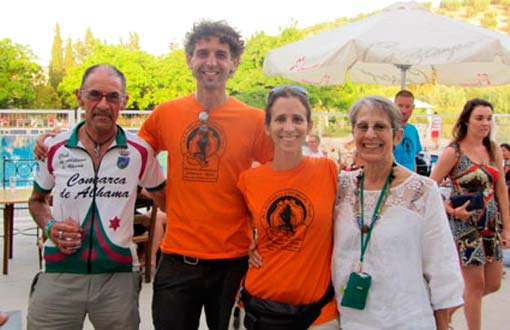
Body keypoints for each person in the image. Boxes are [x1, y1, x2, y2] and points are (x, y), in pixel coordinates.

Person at [138, 21, 274, 330]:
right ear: (189, 59)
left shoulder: (254, 120)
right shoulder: (166, 113)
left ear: (234, 63)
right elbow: (131, 154)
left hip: (234, 262)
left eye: (221, 54)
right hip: (177, 260)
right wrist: (158, 191)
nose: (211, 62)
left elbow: (276, 179)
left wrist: (264, 236)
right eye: (202, 53)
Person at [28, 64, 166, 330]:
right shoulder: (55, 146)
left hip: (118, 277)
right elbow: (36, 200)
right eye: (95, 95)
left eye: (112, 97)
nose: (103, 104)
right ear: (80, 96)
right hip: (59, 273)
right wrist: (48, 226)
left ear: (123, 101)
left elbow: (165, 197)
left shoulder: (139, 150)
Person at [332, 96, 463, 330]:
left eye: (380, 126)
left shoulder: (422, 191)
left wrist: (443, 324)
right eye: (363, 126)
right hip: (350, 321)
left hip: (406, 320)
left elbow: (442, 267)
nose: (370, 134)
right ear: (354, 134)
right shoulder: (340, 187)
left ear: (398, 136)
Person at [237, 86, 338, 329]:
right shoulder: (249, 180)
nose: (289, 127)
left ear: (309, 126)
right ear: (267, 126)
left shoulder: (328, 171)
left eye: (297, 119)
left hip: (318, 313)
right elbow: (232, 229)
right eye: (280, 119)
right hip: (260, 307)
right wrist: (246, 248)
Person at [430, 98, 510, 330]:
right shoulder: (454, 152)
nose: (485, 123)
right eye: (479, 118)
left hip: (491, 223)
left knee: (493, 283)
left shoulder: (493, 149)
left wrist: (506, 227)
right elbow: (430, 187)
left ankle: (443, 315)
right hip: (465, 225)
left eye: (488, 118)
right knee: (475, 286)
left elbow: (502, 191)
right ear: (466, 120)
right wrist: (451, 209)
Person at [393, 90, 422, 172]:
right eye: (400, 106)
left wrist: (415, 178)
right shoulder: (387, 129)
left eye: (407, 106)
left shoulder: (413, 130)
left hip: (409, 179)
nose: (403, 110)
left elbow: (413, 159)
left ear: (413, 108)